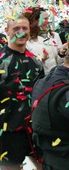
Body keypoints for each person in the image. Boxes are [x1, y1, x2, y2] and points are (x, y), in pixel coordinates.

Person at [0, 15, 44, 169]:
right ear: (7, 31)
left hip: (36, 128)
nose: (21, 32)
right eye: (16, 29)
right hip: (9, 131)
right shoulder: (2, 61)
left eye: (24, 28)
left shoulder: (36, 61)